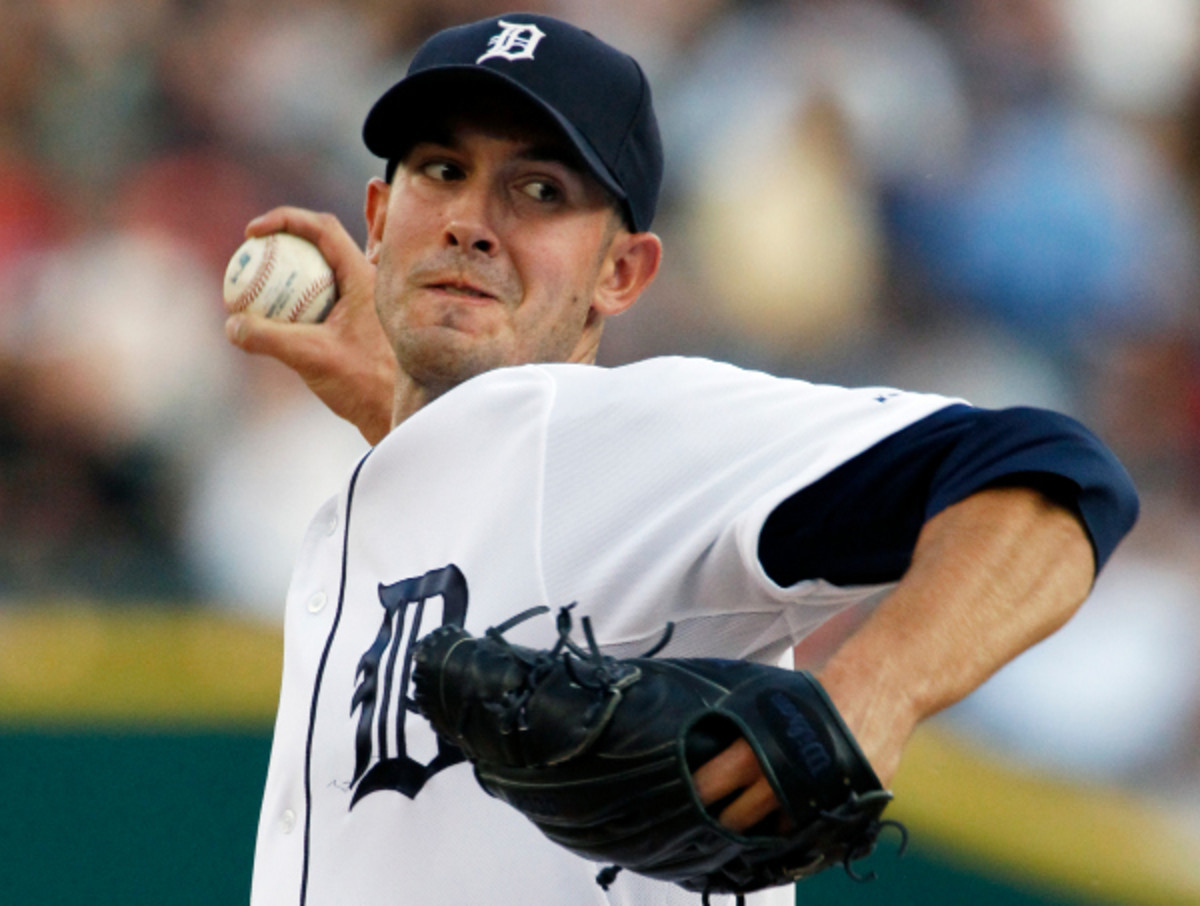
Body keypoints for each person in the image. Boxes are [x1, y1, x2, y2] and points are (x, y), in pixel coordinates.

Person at [225, 14, 1139, 906]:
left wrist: (869, 696)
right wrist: (406, 415)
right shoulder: (425, 480)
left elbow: (1053, 476)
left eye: (540, 190)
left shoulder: (630, 434)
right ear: (379, 218)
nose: (470, 222)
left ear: (621, 273)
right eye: (441, 170)